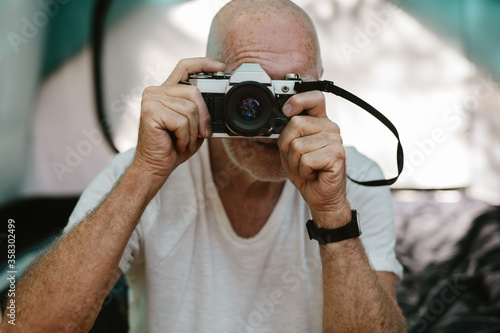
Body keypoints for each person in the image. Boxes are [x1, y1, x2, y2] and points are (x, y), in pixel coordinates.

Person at [3, 0, 405, 332]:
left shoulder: (355, 177)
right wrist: (146, 173)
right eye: (250, 94)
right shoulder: (143, 169)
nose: (265, 116)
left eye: (290, 90)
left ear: (319, 87)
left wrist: (332, 213)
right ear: (208, 85)